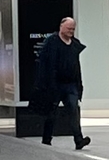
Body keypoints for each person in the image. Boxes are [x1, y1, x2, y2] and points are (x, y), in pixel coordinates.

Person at [37, 15, 91, 149]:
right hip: (54, 84)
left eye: (73, 29)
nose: (71, 32)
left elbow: (76, 66)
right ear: (61, 27)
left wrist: (79, 86)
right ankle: (46, 139)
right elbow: (44, 64)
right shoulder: (52, 42)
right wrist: (46, 83)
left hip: (70, 84)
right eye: (68, 29)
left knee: (73, 110)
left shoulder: (74, 45)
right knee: (51, 112)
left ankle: (79, 139)